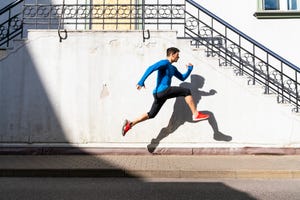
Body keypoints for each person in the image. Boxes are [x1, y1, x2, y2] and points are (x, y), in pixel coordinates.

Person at [122, 47, 209, 136]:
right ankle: (196, 114)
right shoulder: (164, 63)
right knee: (186, 91)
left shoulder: (173, 68)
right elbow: (151, 68)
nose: (178, 57)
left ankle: (130, 124)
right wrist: (141, 81)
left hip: (159, 94)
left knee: (151, 114)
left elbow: (182, 78)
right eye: (177, 55)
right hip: (163, 91)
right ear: (172, 55)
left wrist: (189, 70)